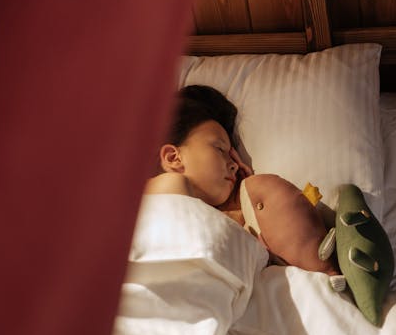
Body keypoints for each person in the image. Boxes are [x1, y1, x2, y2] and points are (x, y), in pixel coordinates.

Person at [145, 85, 341, 279]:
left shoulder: (220, 222)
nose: (235, 165)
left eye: (233, 156)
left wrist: (245, 205)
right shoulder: (164, 189)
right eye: (220, 149)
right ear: (173, 157)